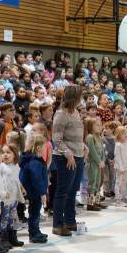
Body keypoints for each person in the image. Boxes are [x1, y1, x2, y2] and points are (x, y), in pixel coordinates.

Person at [51, 85, 86, 236]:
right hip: (64, 157)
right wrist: (67, 152)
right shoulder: (60, 114)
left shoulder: (76, 112)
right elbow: (56, 139)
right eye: (80, 96)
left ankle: (70, 221)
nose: (82, 99)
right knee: (63, 191)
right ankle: (58, 224)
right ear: (74, 98)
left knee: (73, 190)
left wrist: (83, 146)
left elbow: (77, 134)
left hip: (78, 154)